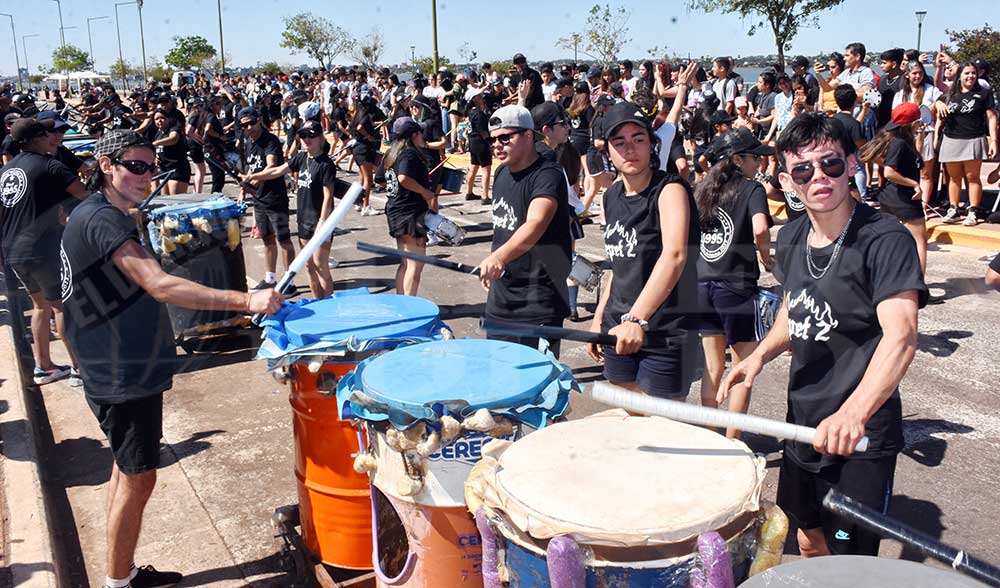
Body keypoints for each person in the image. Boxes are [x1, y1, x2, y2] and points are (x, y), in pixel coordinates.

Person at [60, 130, 283, 588]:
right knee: (139, 478)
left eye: (151, 167)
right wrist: (246, 300)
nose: (146, 176)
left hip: (110, 363)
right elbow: (160, 285)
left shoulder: (97, 213)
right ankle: (118, 582)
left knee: (125, 468)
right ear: (107, 165)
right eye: (135, 167)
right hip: (122, 372)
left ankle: (120, 572)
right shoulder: (104, 221)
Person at [722, 112, 927, 559]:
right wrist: (758, 356)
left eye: (830, 163)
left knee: (850, 561)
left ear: (851, 164)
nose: (818, 176)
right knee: (807, 539)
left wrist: (853, 414)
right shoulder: (792, 236)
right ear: (786, 181)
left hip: (860, 435)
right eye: (803, 169)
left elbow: (902, 336)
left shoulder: (885, 239)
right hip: (801, 422)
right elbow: (793, 307)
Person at [587, 101, 700, 398]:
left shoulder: (670, 190)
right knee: (626, 400)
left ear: (652, 144)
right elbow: (618, 264)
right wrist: (599, 317)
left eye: (638, 139)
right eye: (619, 142)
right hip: (618, 323)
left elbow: (675, 255)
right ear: (607, 152)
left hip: (665, 327)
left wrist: (636, 319)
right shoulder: (611, 196)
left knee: (662, 414)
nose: (629, 149)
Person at [696, 129, 774, 436]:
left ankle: (709, 434)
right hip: (735, 285)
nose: (759, 164)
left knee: (712, 367)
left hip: (702, 284)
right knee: (743, 366)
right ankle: (732, 440)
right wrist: (766, 258)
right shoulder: (751, 189)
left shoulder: (702, 189)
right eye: (755, 158)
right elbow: (760, 229)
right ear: (738, 159)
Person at [479, 105, 571, 356]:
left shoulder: (548, 175)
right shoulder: (501, 173)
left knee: (536, 375)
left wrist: (499, 257)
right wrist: (495, 260)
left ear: (528, 135)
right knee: (498, 369)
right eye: (492, 140)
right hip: (501, 298)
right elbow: (505, 230)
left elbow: (535, 223)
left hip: (537, 301)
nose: (497, 145)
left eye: (505, 138)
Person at [0, 118, 87, 386]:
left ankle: (44, 367)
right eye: (47, 135)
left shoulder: (7, 171)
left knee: (40, 306)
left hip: (13, 249)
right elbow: (86, 196)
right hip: (42, 248)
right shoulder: (51, 166)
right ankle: (80, 370)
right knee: (62, 307)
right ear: (38, 138)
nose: (52, 139)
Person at [246, 120, 337, 298]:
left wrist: (322, 222)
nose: (306, 140)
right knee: (309, 265)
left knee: (320, 265)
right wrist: (253, 176)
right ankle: (317, 301)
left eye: (311, 136)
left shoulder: (326, 164)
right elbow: (277, 171)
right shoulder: (301, 158)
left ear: (320, 138)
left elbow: (328, 196)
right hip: (304, 220)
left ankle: (330, 304)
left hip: (320, 221)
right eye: (303, 136)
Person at [860, 103, 928, 274]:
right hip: (904, 198)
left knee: (891, 240)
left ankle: (887, 276)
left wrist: (920, 137)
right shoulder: (899, 143)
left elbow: (915, 160)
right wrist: (914, 184)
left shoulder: (901, 140)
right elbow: (889, 173)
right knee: (919, 241)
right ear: (913, 123)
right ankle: (918, 283)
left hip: (890, 197)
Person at [237, 107, 295, 291]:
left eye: (252, 123)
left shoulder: (270, 140)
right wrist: (244, 189)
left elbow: (271, 165)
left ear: (259, 120)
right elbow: (250, 168)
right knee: (267, 239)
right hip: (259, 199)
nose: (249, 128)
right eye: (244, 125)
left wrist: (254, 179)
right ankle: (270, 278)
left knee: (284, 239)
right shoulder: (248, 141)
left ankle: (289, 282)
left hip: (275, 198)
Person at [933, 62, 999, 226]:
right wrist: (938, 103)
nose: (970, 76)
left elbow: (991, 117)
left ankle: (973, 210)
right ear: (959, 76)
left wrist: (994, 140)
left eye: (973, 73)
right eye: (967, 73)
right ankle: (954, 209)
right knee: (954, 177)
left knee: (972, 177)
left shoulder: (983, 93)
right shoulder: (950, 93)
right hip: (951, 139)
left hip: (974, 138)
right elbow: (933, 107)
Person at [383, 117, 436, 296]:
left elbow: (380, 178)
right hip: (409, 214)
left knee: (406, 262)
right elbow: (403, 178)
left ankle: (401, 300)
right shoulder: (408, 154)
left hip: (396, 210)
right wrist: (424, 191)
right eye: (420, 133)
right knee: (415, 264)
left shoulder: (391, 152)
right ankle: (409, 304)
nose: (422, 136)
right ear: (413, 135)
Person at [893, 61, 943, 207]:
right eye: (914, 73)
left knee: (925, 173)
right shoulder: (900, 94)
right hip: (906, 136)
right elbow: (895, 116)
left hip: (926, 133)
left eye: (920, 73)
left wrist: (936, 105)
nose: (918, 76)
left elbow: (942, 103)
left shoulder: (931, 90)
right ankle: (907, 202)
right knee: (905, 170)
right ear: (907, 75)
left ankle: (924, 205)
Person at [150, 109, 190, 195]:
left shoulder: (174, 129)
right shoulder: (158, 134)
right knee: (165, 199)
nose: (159, 120)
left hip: (178, 169)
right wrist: (157, 156)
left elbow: (173, 139)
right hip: (164, 170)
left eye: (162, 118)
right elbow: (160, 149)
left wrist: (156, 143)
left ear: (168, 119)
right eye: (156, 119)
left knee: (176, 200)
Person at [463, 87, 492, 203]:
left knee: (473, 166)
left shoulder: (470, 112)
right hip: (480, 142)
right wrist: (490, 142)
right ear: (474, 99)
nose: (482, 97)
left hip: (472, 142)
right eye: (479, 96)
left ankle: (469, 192)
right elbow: (483, 131)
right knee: (486, 169)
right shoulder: (479, 114)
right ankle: (485, 196)